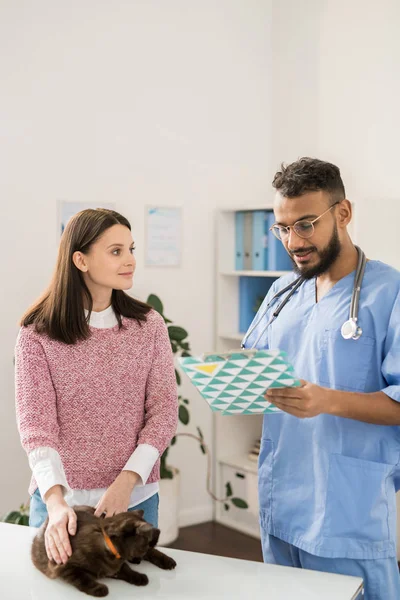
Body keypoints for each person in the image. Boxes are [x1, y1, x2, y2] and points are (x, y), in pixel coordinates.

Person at [243, 158, 400, 600]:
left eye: (306, 225)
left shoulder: (390, 293)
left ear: (343, 213)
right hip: (282, 499)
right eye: (283, 228)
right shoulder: (282, 291)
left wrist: (326, 400)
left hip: (346, 509)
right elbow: (254, 366)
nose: (293, 241)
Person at [15, 208, 178, 567]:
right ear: (81, 260)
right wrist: (56, 502)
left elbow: (164, 412)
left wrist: (127, 482)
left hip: (134, 498)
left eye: (131, 249)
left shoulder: (149, 326)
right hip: (61, 505)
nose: (131, 260)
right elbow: (36, 427)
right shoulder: (36, 335)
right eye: (116, 251)